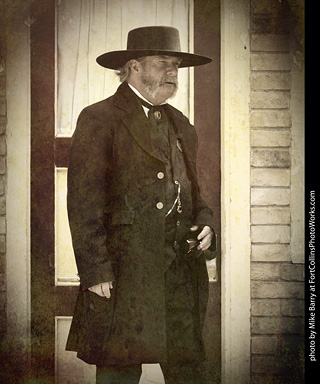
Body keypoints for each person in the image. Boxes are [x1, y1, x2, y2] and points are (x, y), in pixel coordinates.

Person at [66, 26, 216, 384]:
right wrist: (95, 270)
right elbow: (84, 202)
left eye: (176, 64)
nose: (172, 73)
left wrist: (207, 222)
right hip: (124, 273)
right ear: (133, 67)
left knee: (188, 372)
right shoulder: (99, 118)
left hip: (179, 272)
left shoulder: (181, 124)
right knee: (119, 371)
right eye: (163, 63)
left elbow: (195, 193)